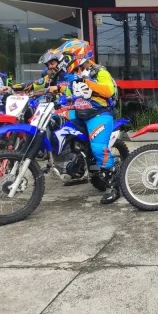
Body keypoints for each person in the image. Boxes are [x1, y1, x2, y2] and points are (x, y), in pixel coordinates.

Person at [56, 39, 120, 204]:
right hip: (79, 114)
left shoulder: (99, 71)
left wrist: (88, 81)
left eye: (68, 56)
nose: (65, 60)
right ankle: (75, 164)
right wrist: (59, 102)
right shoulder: (75, 75)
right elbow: (68, 94)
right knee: (58, 127)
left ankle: (113, 186)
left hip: (99, 114)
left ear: (78, 55)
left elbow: (108, 90)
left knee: (98, 148)